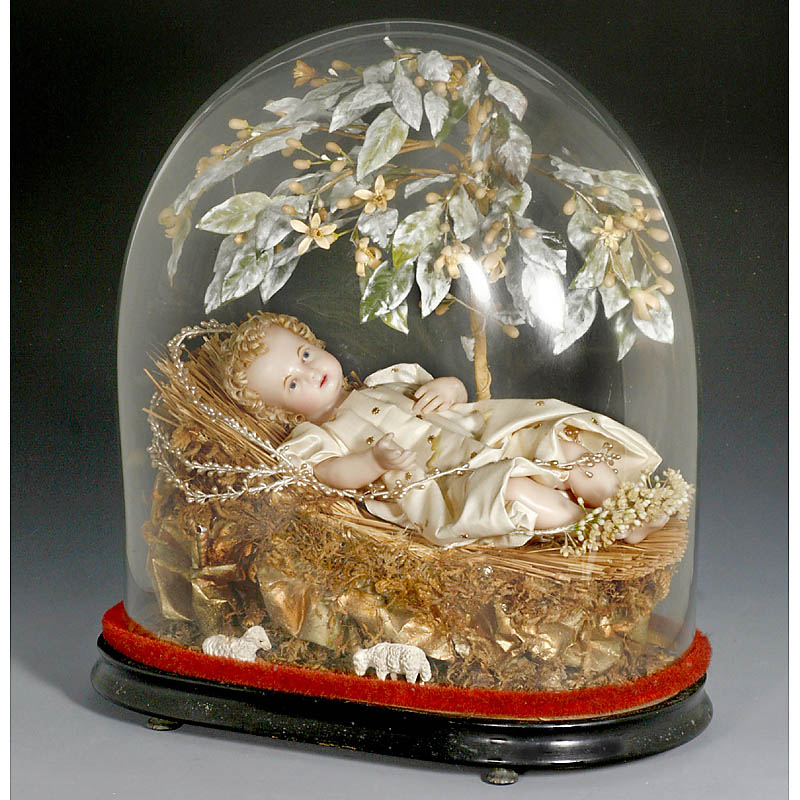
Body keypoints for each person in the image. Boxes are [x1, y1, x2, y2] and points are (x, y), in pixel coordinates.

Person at [223, 312, 665, 548]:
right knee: (512, 491)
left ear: (313, 343)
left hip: (482, 433)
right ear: (278, 409)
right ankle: (593, 527)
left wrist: (448, 386)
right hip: (445, 479)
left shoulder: (385, 381)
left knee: (558, 443)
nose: (310, 371)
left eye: (304, 355)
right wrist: (373, 461)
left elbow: (451, 396)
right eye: (292, 384)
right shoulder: (318, 435)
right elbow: (329, 473)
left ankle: (627, 504)